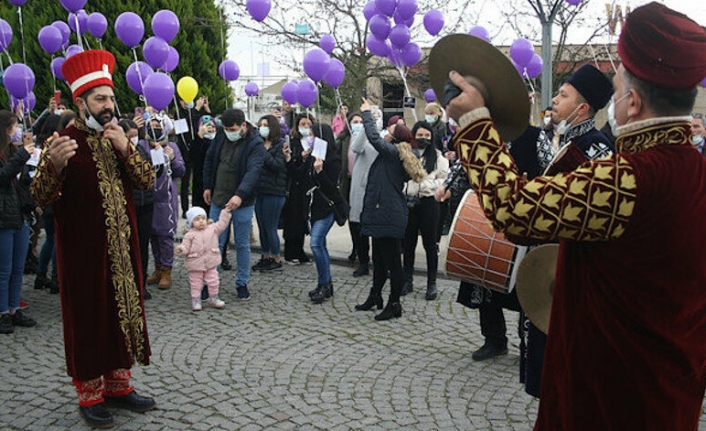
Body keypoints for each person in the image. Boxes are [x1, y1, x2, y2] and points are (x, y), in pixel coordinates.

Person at [444, 3, 706, 429]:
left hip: (609, 397)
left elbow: (513, 210)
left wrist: (474, 121)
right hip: (671, 393)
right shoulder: (695, 170)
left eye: (618, 88)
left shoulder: (630, 178)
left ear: (634, 103)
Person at [30, 50, 156, 428]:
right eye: (100, 99)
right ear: (80, 101)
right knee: (89, 318)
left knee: (121, 316)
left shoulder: (116, 137)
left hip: (123, 250)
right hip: (84, 253)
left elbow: (147, 180)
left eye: (111, 99)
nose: (108, 106)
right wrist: (54, 164)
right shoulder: (63, 140)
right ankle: (90, 393)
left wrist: (125, 148)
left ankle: (120, 385)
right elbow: (39, 196)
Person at [520, 62, 615, 397]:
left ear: (583, 107)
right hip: (546, 266)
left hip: (570, 269)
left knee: (562, 369)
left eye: (563, 95)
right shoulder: (561, 140)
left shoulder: (596, 147)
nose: (555, 100)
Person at [354, 98, 426, 320]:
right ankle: (376, 295)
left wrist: (367, 113)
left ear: (396, 137)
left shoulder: (393, 153)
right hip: (382, 212)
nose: (386, 131)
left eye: (391, 129)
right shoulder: (395, 154)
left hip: (389, 213)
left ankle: (395, 304)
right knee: (380, 260)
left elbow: (374, 138)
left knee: (393, 263)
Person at [203, 108, 265, 301]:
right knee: (214, 243)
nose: (229, 131)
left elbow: (253, 171)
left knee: (242, 244)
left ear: (243, 125)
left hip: (243, 202)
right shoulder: (221, 136)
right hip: (219, 198)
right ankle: (211, 282)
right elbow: (210, 159)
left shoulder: (256, 143)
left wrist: (240, 195)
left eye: (233, 128)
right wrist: (207, 186)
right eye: (227, 128)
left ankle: (242, 283)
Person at [401, 121, 449, 300]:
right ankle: (407, 280)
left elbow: (444, 179)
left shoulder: (437, 157)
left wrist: (426, 183)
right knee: (408, 243)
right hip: (409, 203)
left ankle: (431, 282)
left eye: (427, 135)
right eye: (420, 135)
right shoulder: (407, 154)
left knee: (430, 245)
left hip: (429, 203)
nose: (423, 139)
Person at [0, 110, 37, 334]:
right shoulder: (13, 155)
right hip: (4, 217)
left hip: (21, 215)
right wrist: (22, 155)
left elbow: (20, 181)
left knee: (17, 268)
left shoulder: (14, 151)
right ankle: (2, 311)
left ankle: (14, 308)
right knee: (3, 270)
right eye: (14, 128)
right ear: (5, 130)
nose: (17, 132)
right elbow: (3, 176)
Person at [143, 115, 186, 290]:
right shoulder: (142, 145)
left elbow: (181, 171)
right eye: (151, 126)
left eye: (158, 127)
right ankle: (158, 268)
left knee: (165, 236)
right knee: (153, 235)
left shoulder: (172, 146)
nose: (155, 130)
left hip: (166, 199)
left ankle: (167, 269)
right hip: (148, 197)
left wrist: (173, 158)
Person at [119, 118, 154, 300]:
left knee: (142, 245)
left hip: (146, 203)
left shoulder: (141, 150)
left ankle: (142, 283)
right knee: (127, 247)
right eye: (129, 136)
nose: (133, 139)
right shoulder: (117, 152)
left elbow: (151, 174)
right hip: (128, 205)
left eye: (135, 135)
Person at [176, 207, 232, 311]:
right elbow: (186, 247)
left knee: (214, 281)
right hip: (195, 264)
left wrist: (225, 212)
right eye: (197, 219)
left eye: (203, 218)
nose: (201, 221)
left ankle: (213, 297)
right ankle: (196, 300)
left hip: (211, 262)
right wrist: (181, 250)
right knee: (196, 283)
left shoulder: (212, 229)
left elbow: (222, 224)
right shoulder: (189, 235)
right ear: (191, 222)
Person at [252, 114, 287, 272]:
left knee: (270, 226)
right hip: (259, 190)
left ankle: (276, 257)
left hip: (274, 191)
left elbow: (277, 165)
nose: (262, 127)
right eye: (261, 124)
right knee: (261, 226)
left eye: (265, 124)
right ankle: (265, 256)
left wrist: (263, 152)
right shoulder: (258, 144)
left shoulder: (280, 145)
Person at [282, 114, 316, 265]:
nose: (306, 127)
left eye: (309, 124)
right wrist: (301, 158)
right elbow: (292, 169)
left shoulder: (313, 142)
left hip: (307, 187)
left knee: (302, 220)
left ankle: (300, 250)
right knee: (292, 220)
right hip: (294, 187)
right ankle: (290, 251)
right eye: (303, 124)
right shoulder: (293, 143)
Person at [343, 113, 372, 276]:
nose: (359, 124)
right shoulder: (345, 139)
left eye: (362, 122)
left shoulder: (368, 138)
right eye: (356, 122)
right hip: (349, 184)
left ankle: (365, 260)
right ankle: (359, 254)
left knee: (364, 225)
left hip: (364, 186)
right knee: (354, 223)